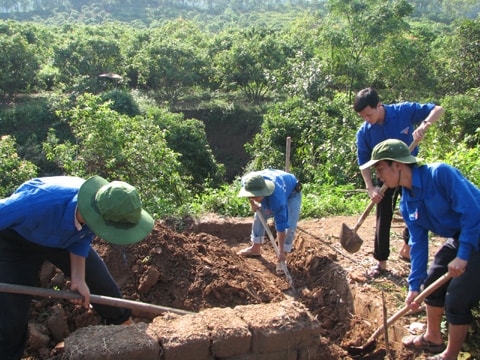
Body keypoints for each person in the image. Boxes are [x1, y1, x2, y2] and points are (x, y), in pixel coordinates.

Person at [0, 175, 155, 360]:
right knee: (12, 315)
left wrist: (78, 278)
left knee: (102, 284)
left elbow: (82, 237)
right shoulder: (35, 203)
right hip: (17, 241)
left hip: (64, 240)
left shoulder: (98, 209)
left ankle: (125, 327)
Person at [360, 139, 480, 360]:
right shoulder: (407, 202)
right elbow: (417, 244)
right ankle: (433, 337)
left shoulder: (440, 174)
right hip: (459, 236)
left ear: (397, 165)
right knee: (432, 282)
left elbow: (473, 213)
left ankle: (450, 355)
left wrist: (463, 257)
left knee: (456, 297)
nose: (379, 177)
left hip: (475, 231)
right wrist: (414, 287)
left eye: (380, 169)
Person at [354, 87, 444, 277]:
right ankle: (381, 262)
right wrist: (371, 188)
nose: (367, 119)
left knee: (416, 210)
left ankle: (408, 246)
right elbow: (363, 164)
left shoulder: (403, 111)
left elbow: (438, 109)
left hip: (409, 171)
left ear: (379, 105)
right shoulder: (364, 132)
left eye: (369, 114)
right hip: (385, 176)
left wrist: (424, 125)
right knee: (383, 215)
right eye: (363, 117)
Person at [236, 169, 302, 274]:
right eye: (252, 195)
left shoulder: (277, 199)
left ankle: (282, 257)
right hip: (273, 184)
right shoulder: (248, 181)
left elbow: (281, 225)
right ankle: (255, 248)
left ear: (264, 190)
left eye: (257, 196)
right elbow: (248, 191)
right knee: (259, 215)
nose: (254, 198)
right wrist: (252, 203)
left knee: (289, 226)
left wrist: (280, 251)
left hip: (292, 192)